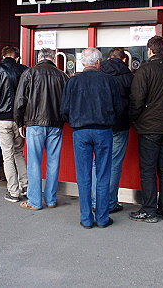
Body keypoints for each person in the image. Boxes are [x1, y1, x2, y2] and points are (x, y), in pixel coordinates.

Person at [60, 47, 123, 229]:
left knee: (84, 175)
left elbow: (64, 109)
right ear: (98, 63)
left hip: (80, 132)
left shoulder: (73, 82)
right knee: (103, 175)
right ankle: (103, 218)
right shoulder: (109, 81)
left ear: (82, 63)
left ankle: (86, 219)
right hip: (103, 131)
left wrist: (75, 120)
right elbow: (118, 108)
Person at [129, 36, 163, 223]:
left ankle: (149, 210)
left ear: (150, 50)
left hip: (148, 128)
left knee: (148, 169)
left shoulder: (144, 71)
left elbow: (136, 101)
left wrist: (134, 119)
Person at [14, 48, 68, 210]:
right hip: (56, 124)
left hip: (34, 123)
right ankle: (51, 199)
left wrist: (19, 122)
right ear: (52, 58)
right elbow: (67, 102)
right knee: (53, 162)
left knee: (34, 163)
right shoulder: (62, 75)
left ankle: (35, 201)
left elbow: (20, 101)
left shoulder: (29, 73)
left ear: (39, 58)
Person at [91, 47, 134, 214]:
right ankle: (109, 203)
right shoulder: (129, 76)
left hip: (101, 124)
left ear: (108, 58)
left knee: (98, 162)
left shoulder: (99, 74)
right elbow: (134, 100)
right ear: (124, 59)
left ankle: (95, 200)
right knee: (114, 164)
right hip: (121, 124)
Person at [0, 46, 28, 203]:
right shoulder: (24, 69)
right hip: (19, 119)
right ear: (17, 57)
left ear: (3, 56)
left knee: (7, 155)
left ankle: (13, 191)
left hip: (3, 117)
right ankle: (26, 185)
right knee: (18, 152)